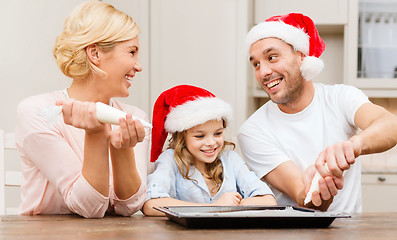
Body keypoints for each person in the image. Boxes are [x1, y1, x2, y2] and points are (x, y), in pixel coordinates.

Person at [237, 13, 397, 213]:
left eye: (272, 57)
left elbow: (390, 125)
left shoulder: (341, 97)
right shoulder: (252, 131)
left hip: (349, 230)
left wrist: (353, 146)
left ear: (301, 57)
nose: (263, 72)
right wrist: (318, 191)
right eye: (256, 64)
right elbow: (301, 194)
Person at [15, 0, 149, 218]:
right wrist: (96, 134)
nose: (138, 65)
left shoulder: (135, 118)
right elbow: (88, 207)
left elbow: (129, 207)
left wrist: (121, 149)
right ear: (95, 54)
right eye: (132, 52)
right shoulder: (37, 112)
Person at [142, 85, 276, 216]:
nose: (211, 143)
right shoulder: (170, 159)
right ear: (181, 137)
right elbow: (151, 204)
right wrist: (214, 207)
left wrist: (231, 205)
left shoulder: (230, 159)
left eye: (218, 133)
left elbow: (268, 200)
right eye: (200, 136)